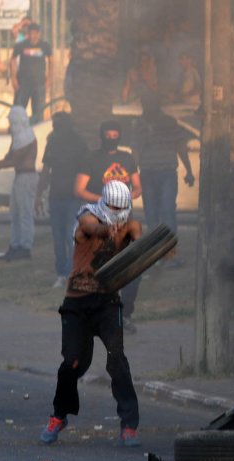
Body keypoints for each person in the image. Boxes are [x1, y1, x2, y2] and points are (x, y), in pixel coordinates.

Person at [39, 180, 142, 447]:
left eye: (122, 208)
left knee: (116, 359)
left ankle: (129, 425)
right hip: (76, 303)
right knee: (72, 363)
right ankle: (59, 416)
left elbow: (139, 238)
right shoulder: (87, 215)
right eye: (114, 207)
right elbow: (90, 228)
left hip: (107, 303)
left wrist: (131, 233)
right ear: (103, 203)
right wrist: (109, 230)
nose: (118, 212)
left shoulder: (129, 223)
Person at [75, 120, 142, 334]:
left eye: (115, 134)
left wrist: (128, 197)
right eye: (108, 134)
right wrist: (104, 200)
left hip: (124, 223)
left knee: (133, 269)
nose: (111, 138)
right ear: (101, 135)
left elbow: (137, 186)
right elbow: (79, 189)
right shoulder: (91, 159)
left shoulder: (127, 158)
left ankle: (126, 315)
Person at [135, 105, 194, 264]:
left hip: (166, 172)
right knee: (152, 215)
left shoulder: (169, 123)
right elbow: (136, 150)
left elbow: (180, 146)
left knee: (167, 213)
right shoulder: (140, 123)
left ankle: (168, 255)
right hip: (147, 174)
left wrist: (189, 170)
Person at [36, 112, 88, 288]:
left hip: (73, 197)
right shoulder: (52, 142)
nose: (55, 128)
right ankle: (62, 273)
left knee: (70, 235)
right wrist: (38, 195)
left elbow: (86, 171)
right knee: (58, 237)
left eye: (58, 124)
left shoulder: (79, 144)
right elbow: (46, 170)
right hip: (56, 196)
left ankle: (72, 271)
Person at [0, 106, 38, 261]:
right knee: (15, 213)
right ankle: (15, 245)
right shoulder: (18, 137)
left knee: (24, 213)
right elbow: (10, 155)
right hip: (20, 177)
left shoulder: (27, 136)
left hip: (27, 177)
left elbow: (16, 159)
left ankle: (25, 246)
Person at [11, 23, 52, 123]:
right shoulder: (21, 45)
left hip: (39, 84)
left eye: (35, 33)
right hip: (23, 84)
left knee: (38, 112)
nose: (33, 36)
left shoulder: (45, 46)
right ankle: (16, 129)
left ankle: (37, 131)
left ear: (39, 34)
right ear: (28, 34)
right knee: (19, 110)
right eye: (31, 33)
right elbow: (12, 60)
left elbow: (52, 61)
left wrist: (49, 79)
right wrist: (14, 78)